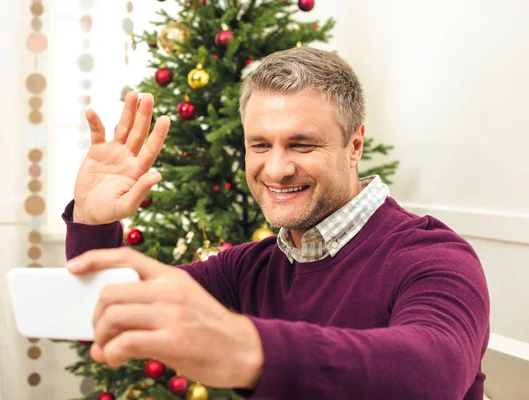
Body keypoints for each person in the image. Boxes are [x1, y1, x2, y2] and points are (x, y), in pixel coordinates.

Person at [63, 47, 489, 399]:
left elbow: (434, 372)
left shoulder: (433, 256)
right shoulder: (248, 268)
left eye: (302, 144)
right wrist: (92, 221)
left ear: (354, 144)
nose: (277, 169)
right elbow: (111, 310)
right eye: (260, 145)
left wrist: (249, 349)